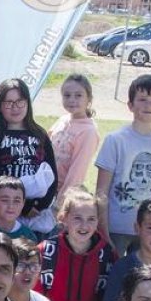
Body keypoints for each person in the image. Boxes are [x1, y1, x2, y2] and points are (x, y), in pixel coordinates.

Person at [94, 74, 151, 254]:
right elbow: (101, 192)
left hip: (149, 231)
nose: (148, 105)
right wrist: (104, 232)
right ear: (130, 105)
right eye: (142, 99)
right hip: (116, 228)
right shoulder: (115, 140)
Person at [0, 78, 59, 235]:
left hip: (35, 217)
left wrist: (38, 206)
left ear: (27, 103)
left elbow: (52, 176)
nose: (15, 108)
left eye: (20, 101)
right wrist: (22, 206)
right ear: (0, 106)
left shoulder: (40, 134)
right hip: (1, 215)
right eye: (8, 103)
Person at [48, 73, 100, 207]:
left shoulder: (88, 132)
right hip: (45, 191)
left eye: (78, 95)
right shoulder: (62, 120)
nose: (72, 100)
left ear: (89, 99)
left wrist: (61, 204)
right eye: (67, 95)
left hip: (60, 196)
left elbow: (77, 172)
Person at [0, 176, 39, 242]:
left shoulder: (29, 236)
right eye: (5, 200)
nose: (11, 206)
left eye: (16, 201)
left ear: (23, 203)